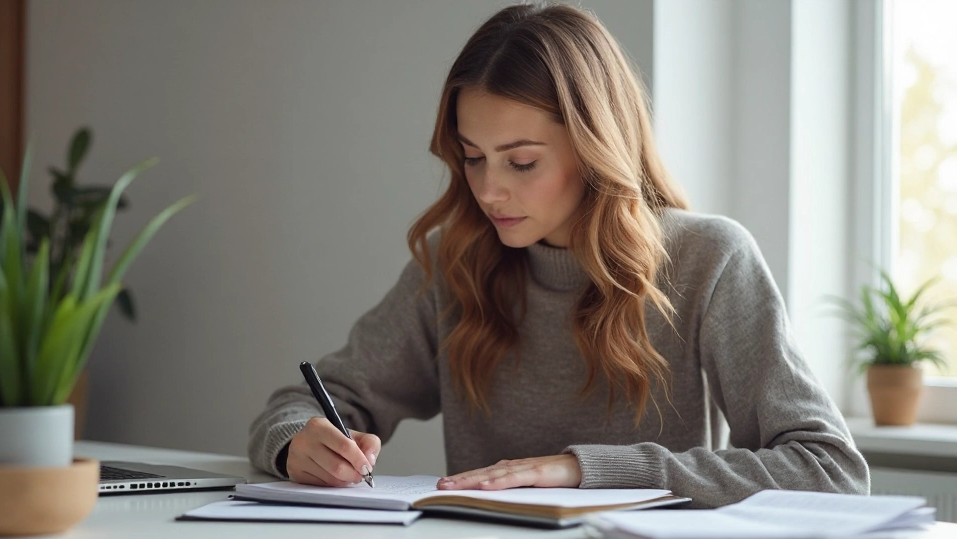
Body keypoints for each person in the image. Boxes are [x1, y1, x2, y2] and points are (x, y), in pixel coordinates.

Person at [248, 3, 869, 508]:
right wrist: (297, 442)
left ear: (596, 148)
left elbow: (829, 470)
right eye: (471, 156)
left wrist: (583, 470)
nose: (488, 190)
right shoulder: (454, 264)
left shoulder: (708, 259)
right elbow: (304, 402)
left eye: (522, 162)